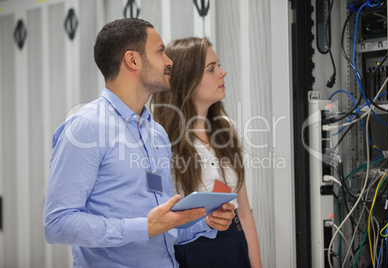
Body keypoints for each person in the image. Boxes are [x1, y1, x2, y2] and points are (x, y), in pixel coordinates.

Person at [43, 18, 235, 268]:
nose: (169, 61)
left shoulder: (156, 134)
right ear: (132, 60)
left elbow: (165, 229)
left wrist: (205, 222)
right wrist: (143, 227)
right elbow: (57, 224)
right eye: (160, 52)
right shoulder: (86, 127)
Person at [151, 37, 262, 268]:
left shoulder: (226, 133)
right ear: (186, 80)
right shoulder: (159, 142)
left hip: (233, 244)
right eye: (211, 69)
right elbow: (156, 220)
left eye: (217, 65)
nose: (222, 73)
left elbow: (244, 214)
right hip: (188, 252)